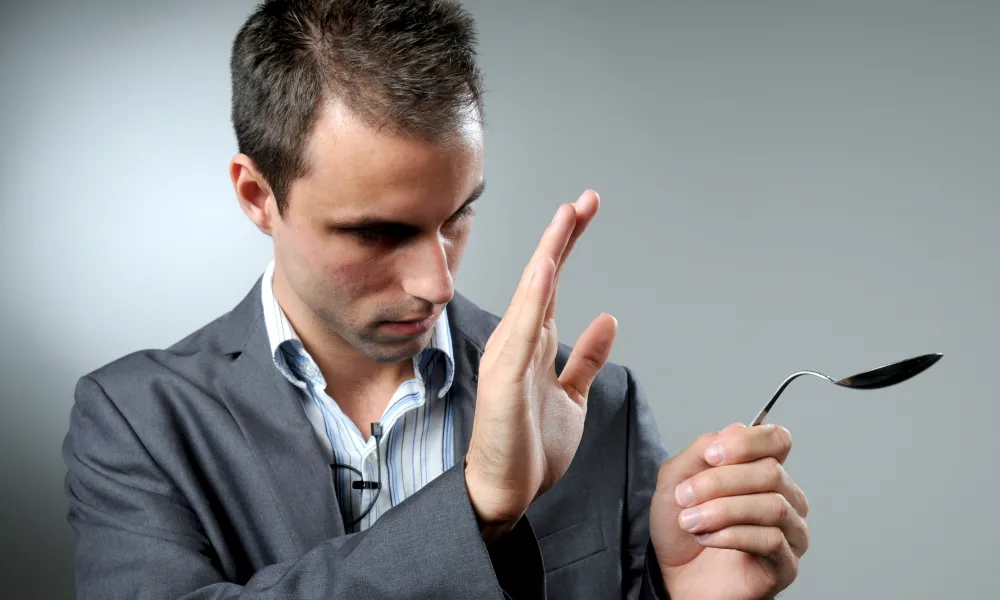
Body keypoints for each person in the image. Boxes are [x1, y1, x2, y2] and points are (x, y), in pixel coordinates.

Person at [61, 1, 810, 598]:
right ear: (258, 196)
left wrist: (682, 594)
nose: (436, 282)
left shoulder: (592, 404)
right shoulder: (135, 419)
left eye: (457, 216)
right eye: (377, 234)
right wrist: (476, 505)